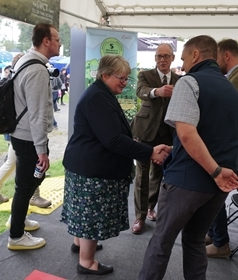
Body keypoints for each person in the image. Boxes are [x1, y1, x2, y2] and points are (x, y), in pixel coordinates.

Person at [139, 35, 238, 280]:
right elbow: (214, 136)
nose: (182, 65)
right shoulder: (231, 89)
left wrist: (214, 172)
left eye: (183, 58)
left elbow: (186, 134)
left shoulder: (189, 82)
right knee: (195, 241)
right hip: (218, 186)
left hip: (189, 181)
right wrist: (175, 150)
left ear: (195, 55)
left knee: (161, 242)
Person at [60, 55, 171, 275]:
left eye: (127, 78)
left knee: (83, 213)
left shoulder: (100, 93)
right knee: (91, 216)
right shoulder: (98, 98)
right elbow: (113, 140)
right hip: (92, 168)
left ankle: (80, 244)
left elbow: (111, 134)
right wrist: (149, 151)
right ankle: (87, 262)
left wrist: (135, 144)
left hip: (85, 164)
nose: (125, 82)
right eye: (121, 78)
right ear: (105, 75)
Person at [6, 22, 61, 251]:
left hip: (23, 134)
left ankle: (18, 221)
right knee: (27, 184)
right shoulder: (37, 69)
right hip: (29, 137)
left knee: (29, 182)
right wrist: (41, 150)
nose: (60, 43)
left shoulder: (26, 61)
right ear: (46, 41)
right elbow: (37, 114)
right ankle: (16, 236)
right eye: (57, 39)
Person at [205, 38, 238, 258]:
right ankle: (213, 234)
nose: (215, 62)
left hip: (229, 151)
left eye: (216, 56)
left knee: (213, 196)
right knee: (211, 195)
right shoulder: (235, 77)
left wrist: (223, 148)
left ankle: (221, 243)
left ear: (226, 55)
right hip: (228, 149)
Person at [0, 53, 52, 207]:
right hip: (23, 133)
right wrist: (41, 147)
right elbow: (36, 114)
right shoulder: (28, 75)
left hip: (17, 131)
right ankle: (30, 197)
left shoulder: (14, 78)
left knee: (15, 164)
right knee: (22, 175)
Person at [130, 43, 179, 234]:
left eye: (166, 56)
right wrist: (156, 92)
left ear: (173, 58)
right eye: (159, 56)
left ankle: (151, 207)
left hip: (167, 134)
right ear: (155, 58)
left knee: (158, 174)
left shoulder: (179, 79)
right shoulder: (145, 75)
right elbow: (140, 91)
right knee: (142, 175)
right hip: (145, 131)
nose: (162, 60)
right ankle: (139, 217)